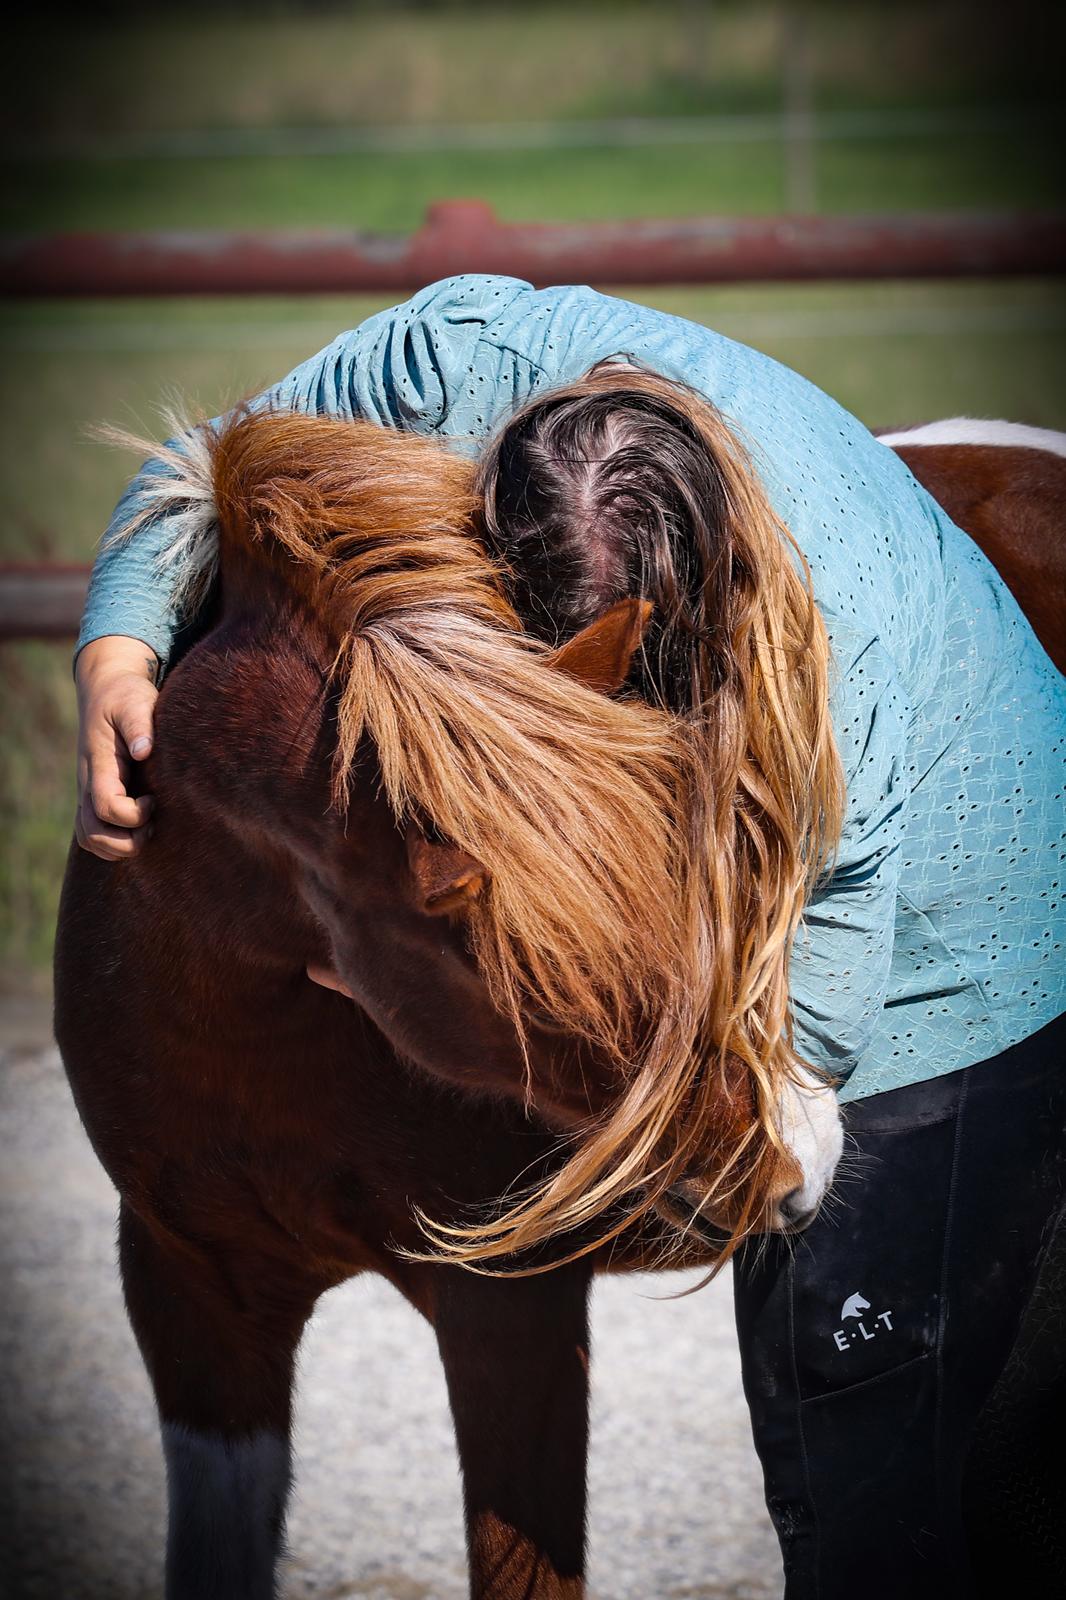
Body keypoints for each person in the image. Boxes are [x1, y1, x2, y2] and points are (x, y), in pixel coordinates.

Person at [73, 276, 1066, 1597]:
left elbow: (820, 974)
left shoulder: (836, 635)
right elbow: (210, 456)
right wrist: (119, 641)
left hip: (962, 904)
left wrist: (744, 1120)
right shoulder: (458, 349)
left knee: (856, 1406)